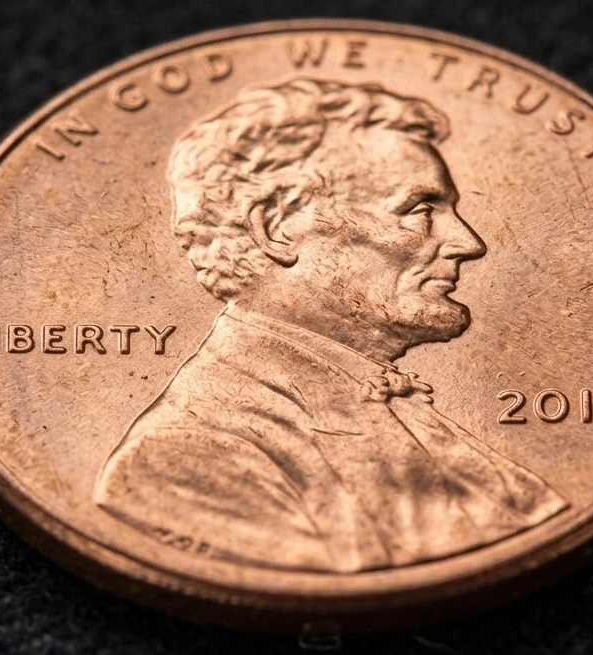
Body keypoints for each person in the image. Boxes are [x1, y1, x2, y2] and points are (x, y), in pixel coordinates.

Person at [94, 78, 566, 573]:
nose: (468, 243)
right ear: (276, 227)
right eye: (420, 210)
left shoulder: (384, 400)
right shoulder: (185, 457)